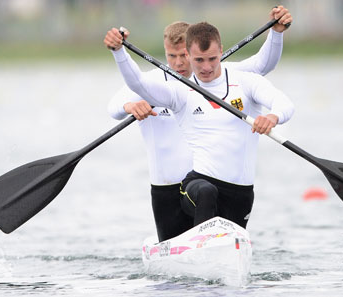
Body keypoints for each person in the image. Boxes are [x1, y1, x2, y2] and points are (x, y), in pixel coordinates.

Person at [104, 15, 293, 238]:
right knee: (203, 194)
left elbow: (263, 65)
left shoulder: (231, 75)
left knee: (210, 200)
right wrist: (130, 102)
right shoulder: (162, 85)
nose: (178, 63)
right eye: (171, 56)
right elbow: (119, 101)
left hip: (220, 185)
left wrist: (277, 33)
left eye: (183, 55)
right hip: (171, 186)